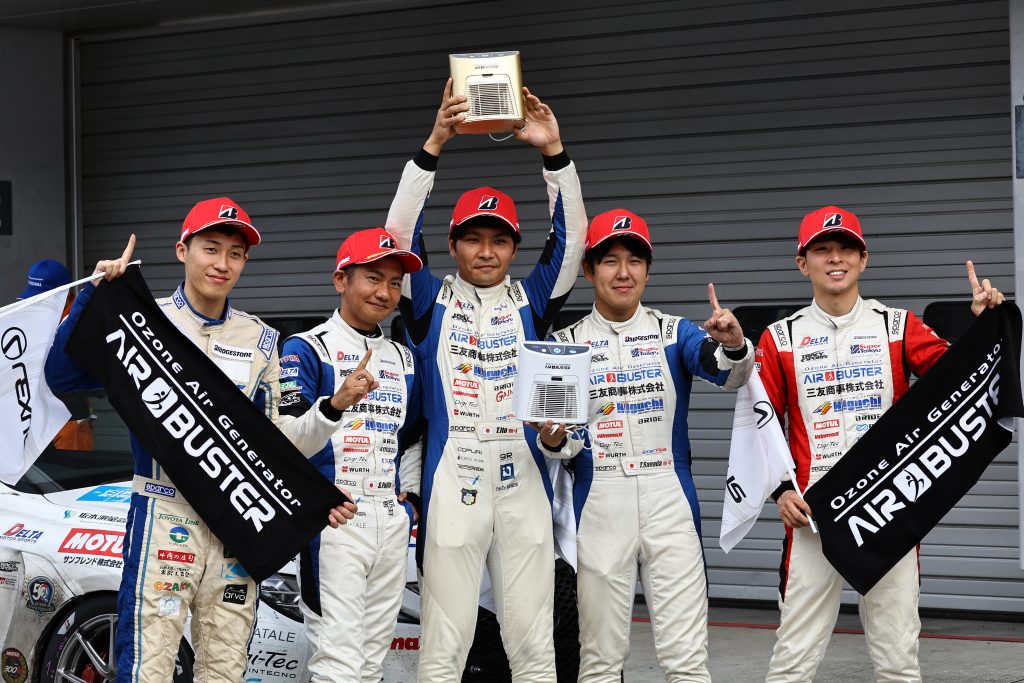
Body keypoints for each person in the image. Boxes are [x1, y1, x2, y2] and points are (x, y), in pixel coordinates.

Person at [44, 198, 356, 683]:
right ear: (182, 250)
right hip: (164, 513)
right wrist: (94, 295)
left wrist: (317, 492)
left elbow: (275, 443)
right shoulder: (142, 319)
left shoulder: (261, 340)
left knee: (225, 669)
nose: (222, 263)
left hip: (236, 522)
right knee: (146, 668)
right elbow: (61, 375)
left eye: (235, 253)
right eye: (211, 248)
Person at [384, 79, 588, 682]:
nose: (486, 250)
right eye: (473, 238)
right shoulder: (428, 300)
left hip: (524, 484)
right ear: (452, 245)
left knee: (534, 646)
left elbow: (572, 241)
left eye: (499, 240)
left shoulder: (532, 300)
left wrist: (554, 154)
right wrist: (434, 145)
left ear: (514, 248)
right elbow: (398, 237)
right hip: (452, 483)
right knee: (444, 648)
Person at [756, 205, 1004, 683]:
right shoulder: (779, 338)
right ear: (802, 263)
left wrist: (981, 327)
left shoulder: (897, 325)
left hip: (885, 508)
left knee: (897, 662)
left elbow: (958, 379)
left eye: (846, 249)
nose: (836, 258)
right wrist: (780, 490)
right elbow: (759, 426)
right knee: (792, 662)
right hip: (813, 514)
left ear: (863, 259)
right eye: (822, 250)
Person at [543, 209, 754, 682]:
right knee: (599, 660)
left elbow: (727, 373)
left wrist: (735, 345)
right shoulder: (565, 344)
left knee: (687, 660)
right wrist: (554, 440)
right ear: (588, 270)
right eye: (610, 261)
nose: (623, 272)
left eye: (634, 260)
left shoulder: (674, 331)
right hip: (599, 500)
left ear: (648, 269)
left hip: (669, 498)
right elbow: (562, 442)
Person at [274, 227, 424, 682]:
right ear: (341, 279)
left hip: (390, 522)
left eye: (394, 283)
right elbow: (285, 442)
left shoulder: (404, 358)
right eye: (373, 278)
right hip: (333, 521)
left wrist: (411, 499)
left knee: (372, 664)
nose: (384, 292)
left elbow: (413, 437)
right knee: (337, 664)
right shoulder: (306, 348)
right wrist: (335, 404)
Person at [17, 259, 94, 450]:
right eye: (33, 298)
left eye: (42, 298)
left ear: (65, 294)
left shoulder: (83, 320)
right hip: (35, 422)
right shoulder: (41, 318)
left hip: (70, 422)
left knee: (75, 470)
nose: (36, 304)